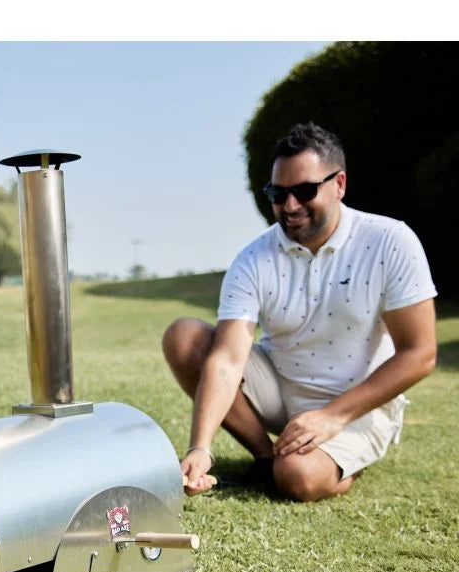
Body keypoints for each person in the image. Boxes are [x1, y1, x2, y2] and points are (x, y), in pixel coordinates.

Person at [162, 122, 437, 502]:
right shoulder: (252, 258)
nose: (290, 206)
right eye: (278, 193)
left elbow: (420, 353)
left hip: (358, 403)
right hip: (280, 391)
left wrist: (333, 416)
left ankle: (326, 458)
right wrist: (201, 447)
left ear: (339, 184)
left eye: (305, 191)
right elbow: (226, 360)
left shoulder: (391, 241)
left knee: (297, 476)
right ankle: (265, 458)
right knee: (184, 336)